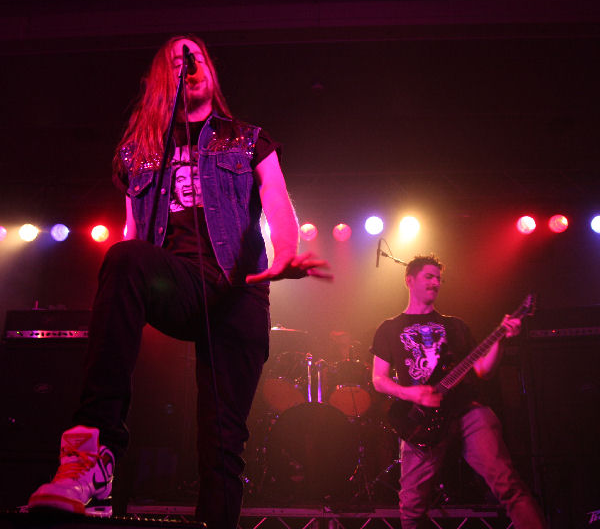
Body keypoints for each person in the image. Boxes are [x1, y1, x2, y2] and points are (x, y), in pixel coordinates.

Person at [27, 34, 331, 529]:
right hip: (180, 281)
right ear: (160, 79)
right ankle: (93, 454)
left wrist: (285, 256)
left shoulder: (247, 139)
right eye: (175, 60)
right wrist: (123, 293)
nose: (187, 65)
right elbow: (132, 235)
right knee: (124, 256)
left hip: (240, 288)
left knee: (222, 442)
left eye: (196, 57)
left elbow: (277, 201)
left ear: (210, 69)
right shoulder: (140, 154)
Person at [370, 255, 546, 529]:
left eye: (439, 278)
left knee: (508, 484)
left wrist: (501, 338)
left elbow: (483, 370)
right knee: (412, 507)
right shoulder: (389, 328)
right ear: (409, 280)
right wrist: (412, 394)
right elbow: (379, 380)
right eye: (429, 276)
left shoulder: (456, 326)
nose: (435, 282)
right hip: (421, 421)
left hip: (467, 412)